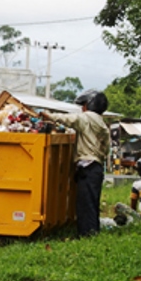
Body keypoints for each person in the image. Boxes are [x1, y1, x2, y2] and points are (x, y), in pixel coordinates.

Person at [40, 90, 111, 237]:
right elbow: (106, 148)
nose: (82, 108)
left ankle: (88, 235)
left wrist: (49, 116)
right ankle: (91, 233)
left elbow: (70, 120)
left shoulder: (87, 118)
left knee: (85, 204)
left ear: (89, 105)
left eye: (83, 105)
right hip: (96, 167)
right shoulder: (101, 122)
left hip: (87, 167)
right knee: (91, 203)